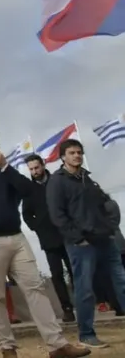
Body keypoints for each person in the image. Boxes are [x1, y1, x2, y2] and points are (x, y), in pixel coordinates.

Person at [0, 128, 86, 357]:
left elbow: (30, 191)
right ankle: (7, 348)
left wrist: (5, 167)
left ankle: (57, 345)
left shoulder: (5, 170)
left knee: (36, 289)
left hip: (17, 238)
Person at [47, 138, 125, 349]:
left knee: (122, 282)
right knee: (85, 289)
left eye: (79, 152)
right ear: (63, 157)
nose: (77, 156)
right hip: (81, 244)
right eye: (72, 153)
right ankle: (86, 334)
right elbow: (57, 215)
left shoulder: (87, 179)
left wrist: (110, 228)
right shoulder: (57, 182)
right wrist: (77, 238)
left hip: (105, 240)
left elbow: (106, 204)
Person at [21, 153, 76, 321]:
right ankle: (67, 308)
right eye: (31, 169)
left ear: (43, 165)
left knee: (75, 270)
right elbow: (27, 215)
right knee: (56, 274)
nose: (34, 171)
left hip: (67, 235)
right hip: (48, 239)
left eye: (36, 167)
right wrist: (38, 227)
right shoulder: (29, 190)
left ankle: (83, 303)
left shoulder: (57, 182)